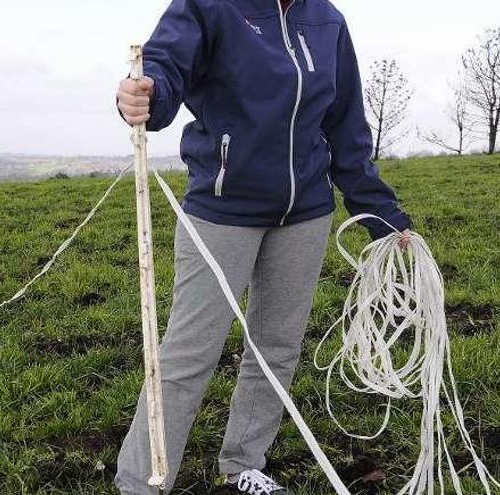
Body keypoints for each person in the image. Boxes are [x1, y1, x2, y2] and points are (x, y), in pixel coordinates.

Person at [114, 0, 412, 493]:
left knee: (276, 347)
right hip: (222, 210)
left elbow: (346, 126)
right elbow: (164, 70)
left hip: (306, 214)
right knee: (189, 353)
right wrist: (147, 95)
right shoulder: (208, 7)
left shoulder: (327, 21)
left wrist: (383, 217)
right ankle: (142, 482)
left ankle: (244, 464)